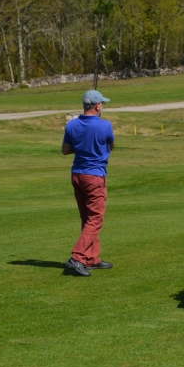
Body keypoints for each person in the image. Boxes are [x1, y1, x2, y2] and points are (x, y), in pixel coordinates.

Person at [62, 90, 115, 277]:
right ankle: (77, 257)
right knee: (95, 219)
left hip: (77, 175)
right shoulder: (105, 125)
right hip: (94, 176)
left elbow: (66, 150)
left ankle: (92, 258)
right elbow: (111, 145)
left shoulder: (72, 125)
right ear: (97, 106)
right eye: (103, 104)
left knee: (87, 218)